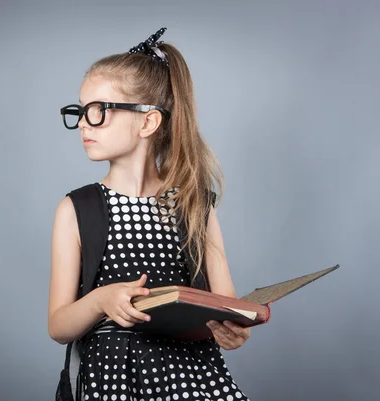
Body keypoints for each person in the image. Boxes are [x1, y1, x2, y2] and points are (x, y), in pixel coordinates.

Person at [49, 27, 251, 401]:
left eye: (98, 112)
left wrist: (232, 330)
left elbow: (225, 303)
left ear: (147, 122)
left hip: (192, 375)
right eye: (80, 110)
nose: (82, 123)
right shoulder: (77, 209)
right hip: (113, 376)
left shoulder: (195, 205)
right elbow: (59, 325)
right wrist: (100, 300)